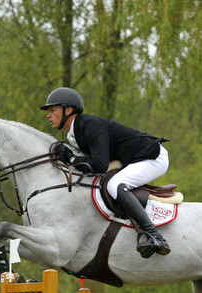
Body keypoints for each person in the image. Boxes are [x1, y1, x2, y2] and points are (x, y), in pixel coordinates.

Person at [40, 87, 170, 258]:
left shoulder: (89, 125)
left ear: (68, 110)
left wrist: (71, 159)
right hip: (134, 160)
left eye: (52, 110)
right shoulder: (76, 132)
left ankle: (153, 234)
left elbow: (100, 165)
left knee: (115, 185)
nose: (48, 115)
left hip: (152, 157)